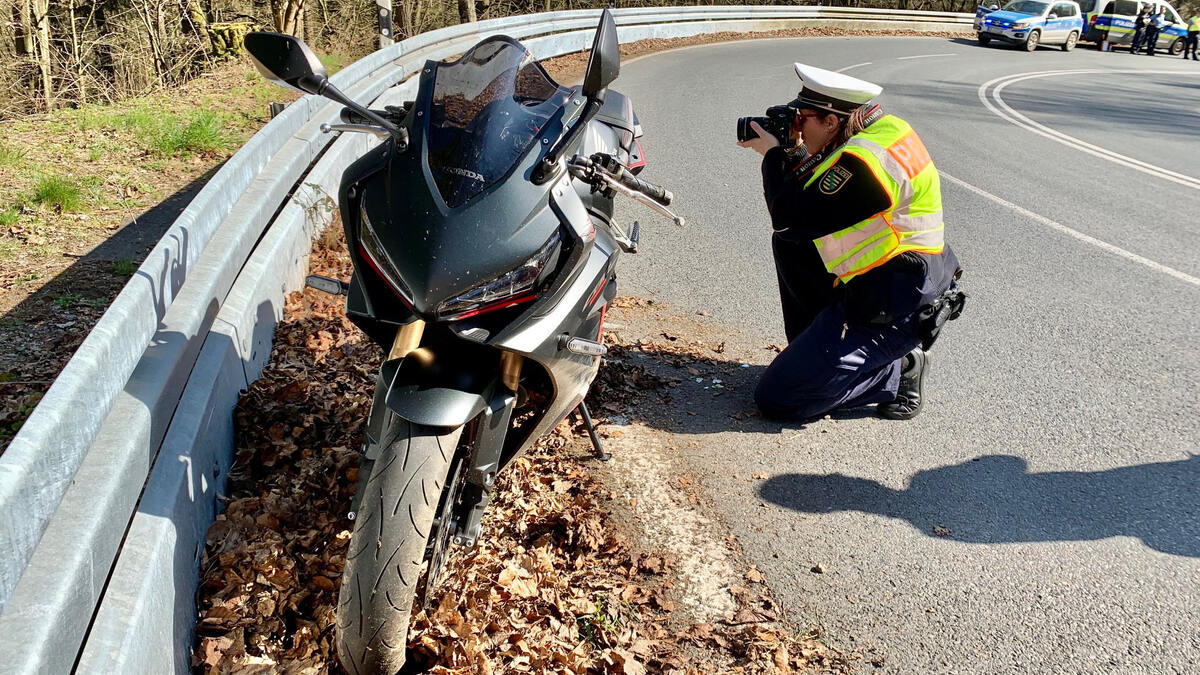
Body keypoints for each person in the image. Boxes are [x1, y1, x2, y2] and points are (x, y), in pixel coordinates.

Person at [738, 64, 962, 422]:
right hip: (880, 282)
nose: (796, 127)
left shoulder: (867, 162)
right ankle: (815, 356)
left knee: (778, 399)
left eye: (802, 118)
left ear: (830, 122)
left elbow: (791, 219)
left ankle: (898, 369)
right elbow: (805, 215)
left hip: (895, 304)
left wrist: (776, 155)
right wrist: (794, 152)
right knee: (792, 246)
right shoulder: (881, 129)